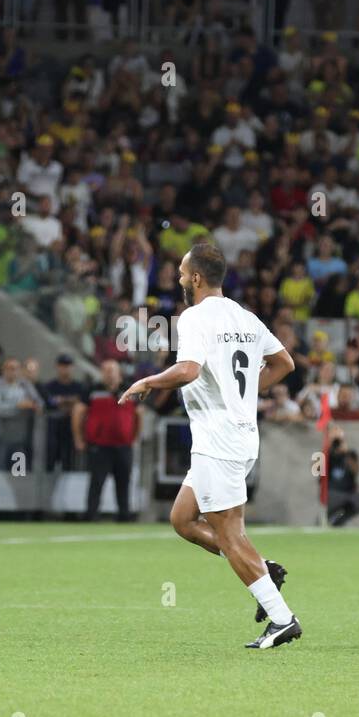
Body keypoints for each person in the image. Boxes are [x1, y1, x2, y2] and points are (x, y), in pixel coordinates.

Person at [118, 243, 301, 649]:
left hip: (219, 441)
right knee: (183, 519)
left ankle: (281, 617)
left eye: (183, 274)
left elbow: (188, 370)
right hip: (233, 436)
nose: (180, 279)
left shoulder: (195, 317)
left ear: (197, 278)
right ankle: (263, 569)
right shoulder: (245, 317)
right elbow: (284, 363)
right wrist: (246, 396)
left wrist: (148, 381)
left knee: (231, 535)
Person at [73, 359, 139, 521]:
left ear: (119, 373)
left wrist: (134, 437)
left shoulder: (130, 390)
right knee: (96, 482)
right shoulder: (92, 390)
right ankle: (91, 514)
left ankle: (124, 515)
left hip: (123, 445)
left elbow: (139, 414)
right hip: (99, 445)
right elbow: (78, 412)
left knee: (123, 482)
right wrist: (78, 438)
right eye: (106, 370)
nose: (109, 373)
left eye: (112, 370)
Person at [325, 426, 359, 526]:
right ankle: (323, 521)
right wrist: (327, 450)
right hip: (331, 491)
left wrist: (346, 453)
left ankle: (338, 522)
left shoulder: (350, 454)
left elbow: (357, 470)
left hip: (349, 492)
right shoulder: (324, 453)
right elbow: (316, 470)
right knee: (333, 503)